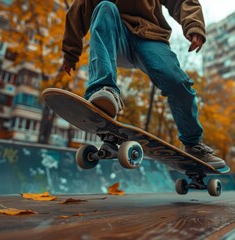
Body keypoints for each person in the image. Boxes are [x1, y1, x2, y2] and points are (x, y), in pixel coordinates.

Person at [61, 0, 226, 169]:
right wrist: (70, 52)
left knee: (177, 83)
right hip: (117, 34)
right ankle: (103, 90)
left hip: (151, 37)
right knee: (105, 8)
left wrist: (193, 24)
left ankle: (193, 144)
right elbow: (80, 8)